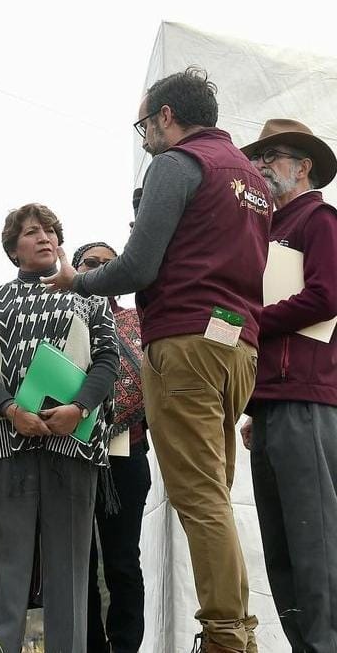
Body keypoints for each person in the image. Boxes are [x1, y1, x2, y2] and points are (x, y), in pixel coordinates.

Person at [44, 67, 271, 653]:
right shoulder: (251, 178)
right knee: (214, 497)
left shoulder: (176, 165)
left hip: (185, 342)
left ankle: (225, 637)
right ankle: (238, 629)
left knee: (198, 498)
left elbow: (138, 267)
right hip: (237, 346)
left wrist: (80, 280)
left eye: (144, 122)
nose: (144, 134)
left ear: (167, 115)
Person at [0, 204, 118, 653]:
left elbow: (109, 358)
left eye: (50, 230)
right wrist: (11, 409)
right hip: (6, 440)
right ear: (13, 249)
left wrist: (79, 407)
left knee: (70, 567)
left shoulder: (89, 296)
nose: (44, 237)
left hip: (73, 442)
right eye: (32, 232)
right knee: (4, 564)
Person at [238, 119, 337, 652]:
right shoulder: (266, 230)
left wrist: (254, 319)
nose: (261, 166)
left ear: (303, 166)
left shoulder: (319, 219)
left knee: (315, 542)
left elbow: (327, 297)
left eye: (271, 156)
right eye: (258, 157)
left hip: (306, 400)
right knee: (280, 547)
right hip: (274, 404)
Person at [71, 243, 151, 653]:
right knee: (78, 562)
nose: (101, 269)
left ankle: (125, 645)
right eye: (91, 263)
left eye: (109, 263)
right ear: (75, 270)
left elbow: (149, 381)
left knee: (122, 560)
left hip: (127, 455)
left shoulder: (139, 319)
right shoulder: (60, 322)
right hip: (71, 457)